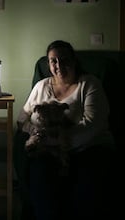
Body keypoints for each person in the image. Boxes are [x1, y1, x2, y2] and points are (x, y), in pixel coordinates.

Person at [16, 40, 115, 220]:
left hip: (87, 148)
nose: (59, 65)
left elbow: (93, 124)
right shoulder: (41, 86)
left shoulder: (90, 84)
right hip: (47, 148)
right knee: (40, 175)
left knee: (85, 185)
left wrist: (60, 141)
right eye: (53, 61)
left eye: (64, 60)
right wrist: (35, 133)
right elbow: (21, 119)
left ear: (74, 61)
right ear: (48, 64)